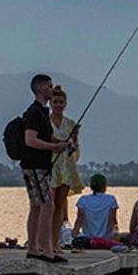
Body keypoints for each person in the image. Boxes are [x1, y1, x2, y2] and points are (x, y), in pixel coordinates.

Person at [20, 73, 73, 263]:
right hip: (35, 166)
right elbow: (30, 140)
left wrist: (63, 143)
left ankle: (34, 248)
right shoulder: (34, 112)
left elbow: (48, 137)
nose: (53, 89)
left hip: (39, 166)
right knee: (47, 205)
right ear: (41, 89)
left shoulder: (42, 112)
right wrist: (54, 148)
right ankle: (47, 250)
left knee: (36, 206)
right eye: (50, 86)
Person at [49, 84, 84, 251]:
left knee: (60, 207)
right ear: (51, 103)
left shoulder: (70, 124)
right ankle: (46, 241)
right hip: (51, 168)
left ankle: (56, 242)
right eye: (55, 102)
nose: (58, 105)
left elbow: (75, 151)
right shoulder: (46, 123)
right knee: (48, 206)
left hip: (66, 169)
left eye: (61, 102)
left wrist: (75, 139)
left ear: (65, 104)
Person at [73, 173, 119, 241]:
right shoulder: (111, 199)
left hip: (87, 238)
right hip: (106, 238)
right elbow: (112, 219)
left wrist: (74, 234)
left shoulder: (83, 199)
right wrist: (115, 235)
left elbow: (80, 218)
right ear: (104, 186)